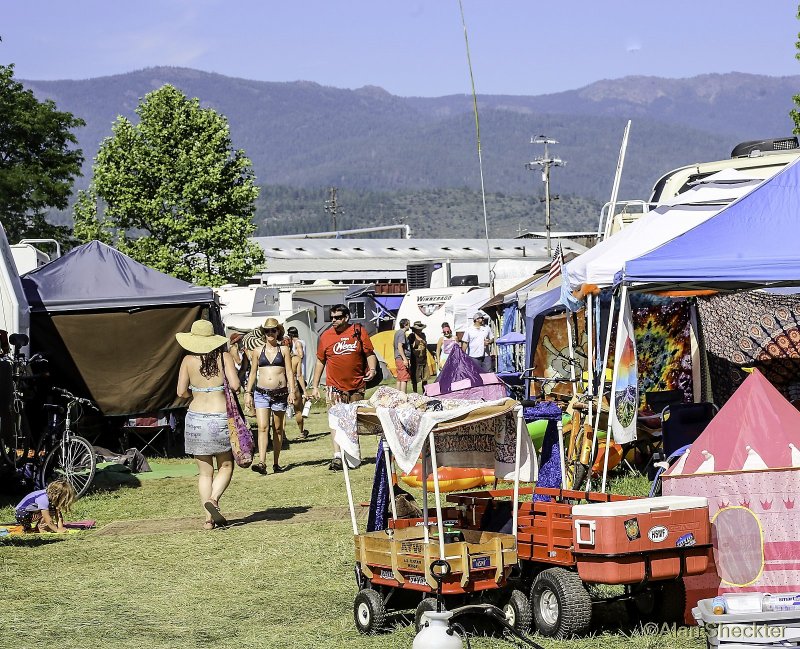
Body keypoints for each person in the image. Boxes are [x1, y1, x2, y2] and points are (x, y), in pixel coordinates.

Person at [177, 319, 240, 529]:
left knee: (205, 472)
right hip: (218, 416)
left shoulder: (187, 360)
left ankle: (207, 520)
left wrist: (195, 392)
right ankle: (213, 499)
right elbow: (235, 385)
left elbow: (180, 392)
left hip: (195, 417)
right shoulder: (224, 357)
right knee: (226, 465)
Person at [311, 304, 378, 470]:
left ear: (346, 317)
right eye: (331, 318)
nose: (333, 320)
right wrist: (314, 385)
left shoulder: (358, 331)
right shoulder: (326, 336)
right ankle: (337, 456)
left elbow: (369, 353)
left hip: (356, 385)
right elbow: (320, 361)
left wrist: (373, 369)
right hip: (334, 387)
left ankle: (351, 454)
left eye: (337, 317)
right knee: (335, 421)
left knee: (352, 422)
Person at [244, 317, 295, 475]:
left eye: (273, 330)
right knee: (262, 427)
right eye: (267, 331)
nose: (270, 333)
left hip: (280, 393)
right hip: (261, 393)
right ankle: (262, 462)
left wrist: (292, 391)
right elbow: (252, 373)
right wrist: (247, 393)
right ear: (263, 333)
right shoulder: (257, 351)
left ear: (278, 331)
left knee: (278, 428)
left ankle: (276, 463)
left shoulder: (284, 350)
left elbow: (289, 372)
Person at [286, 326, 309, 439]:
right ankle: (301, 431)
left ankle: (283, 434)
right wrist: (304, 391)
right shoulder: (296, 359)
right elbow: (299, 375)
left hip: (284, 383)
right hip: (295, 382)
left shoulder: (279, 358)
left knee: (280, 411)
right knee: (298, 409)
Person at [409, 321, 429, 393]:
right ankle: (415, 393)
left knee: (425, 378)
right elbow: (410, 348)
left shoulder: (423, 335)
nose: (420, 330)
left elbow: (425, 345)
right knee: (415, 378)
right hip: (415, 360)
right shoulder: (411, 336)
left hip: (423, 359)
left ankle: (425, 392)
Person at [393, 318, 411, 392]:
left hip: (398, 358)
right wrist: (405, 359)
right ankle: (403, 395)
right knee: (404, 377)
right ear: (405, 325)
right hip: (401, 358)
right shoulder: (401, 333)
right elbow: (400, 346)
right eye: (408, 324)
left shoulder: (397, 332)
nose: (409, 326)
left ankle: (398, 395)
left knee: (400, 377)